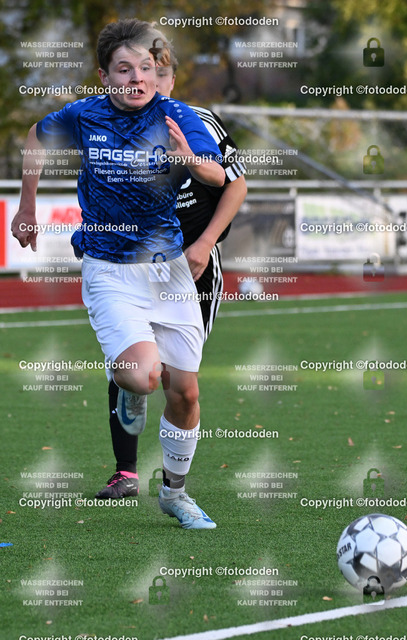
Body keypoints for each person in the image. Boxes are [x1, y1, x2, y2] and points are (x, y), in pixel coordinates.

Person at [11, 18, 225, 529]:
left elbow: (219, 175)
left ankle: (175, 494)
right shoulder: (84, 115)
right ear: (104, 76)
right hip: (108, 270)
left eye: (145, 68)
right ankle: (131, 383)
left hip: (169, 273)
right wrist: (27, 206)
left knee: (186, 393)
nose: (137, 78)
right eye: (124, 69)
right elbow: (35, 138)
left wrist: (191, 160)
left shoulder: (177, 116)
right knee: (142, 375)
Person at [97, 36, 247, 503]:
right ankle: (125, 471)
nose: (148, 83)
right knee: (135, 365)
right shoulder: (112, 123)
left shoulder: (199, 122)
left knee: (178, 380)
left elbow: (236, 185)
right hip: (134, 267)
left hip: (193, 266)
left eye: (158, 74)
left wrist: (204, 244)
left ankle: (173, 488)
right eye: (138, 72)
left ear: (172, 80)